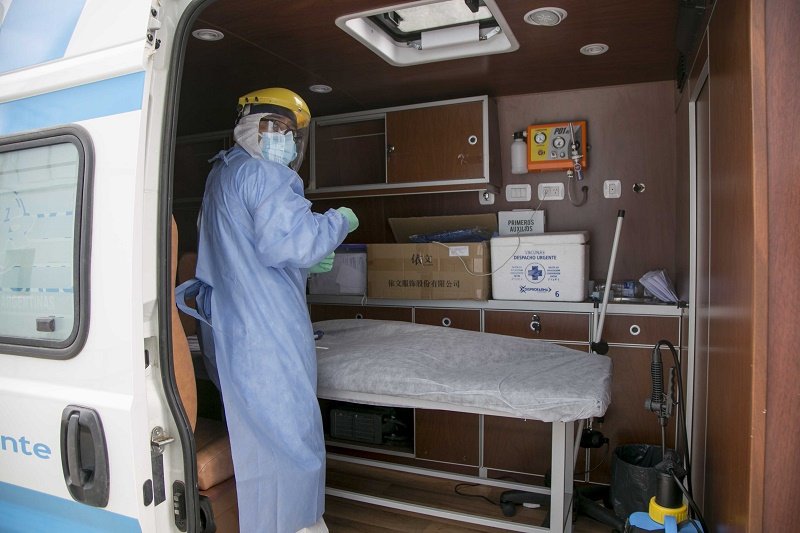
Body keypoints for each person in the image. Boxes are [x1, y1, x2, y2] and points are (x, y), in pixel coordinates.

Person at [189, 87, 358, 532]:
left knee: (257, 436)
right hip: (265, 330)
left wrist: (302, 263)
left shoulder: (224, 172)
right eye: (275, 126)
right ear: (247, 124)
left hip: (230, 325)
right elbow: (297, 241)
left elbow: (246, 246)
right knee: (291, 437)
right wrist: (339, 221)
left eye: (290, 132)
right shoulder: (265, 174)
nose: (283, 138)